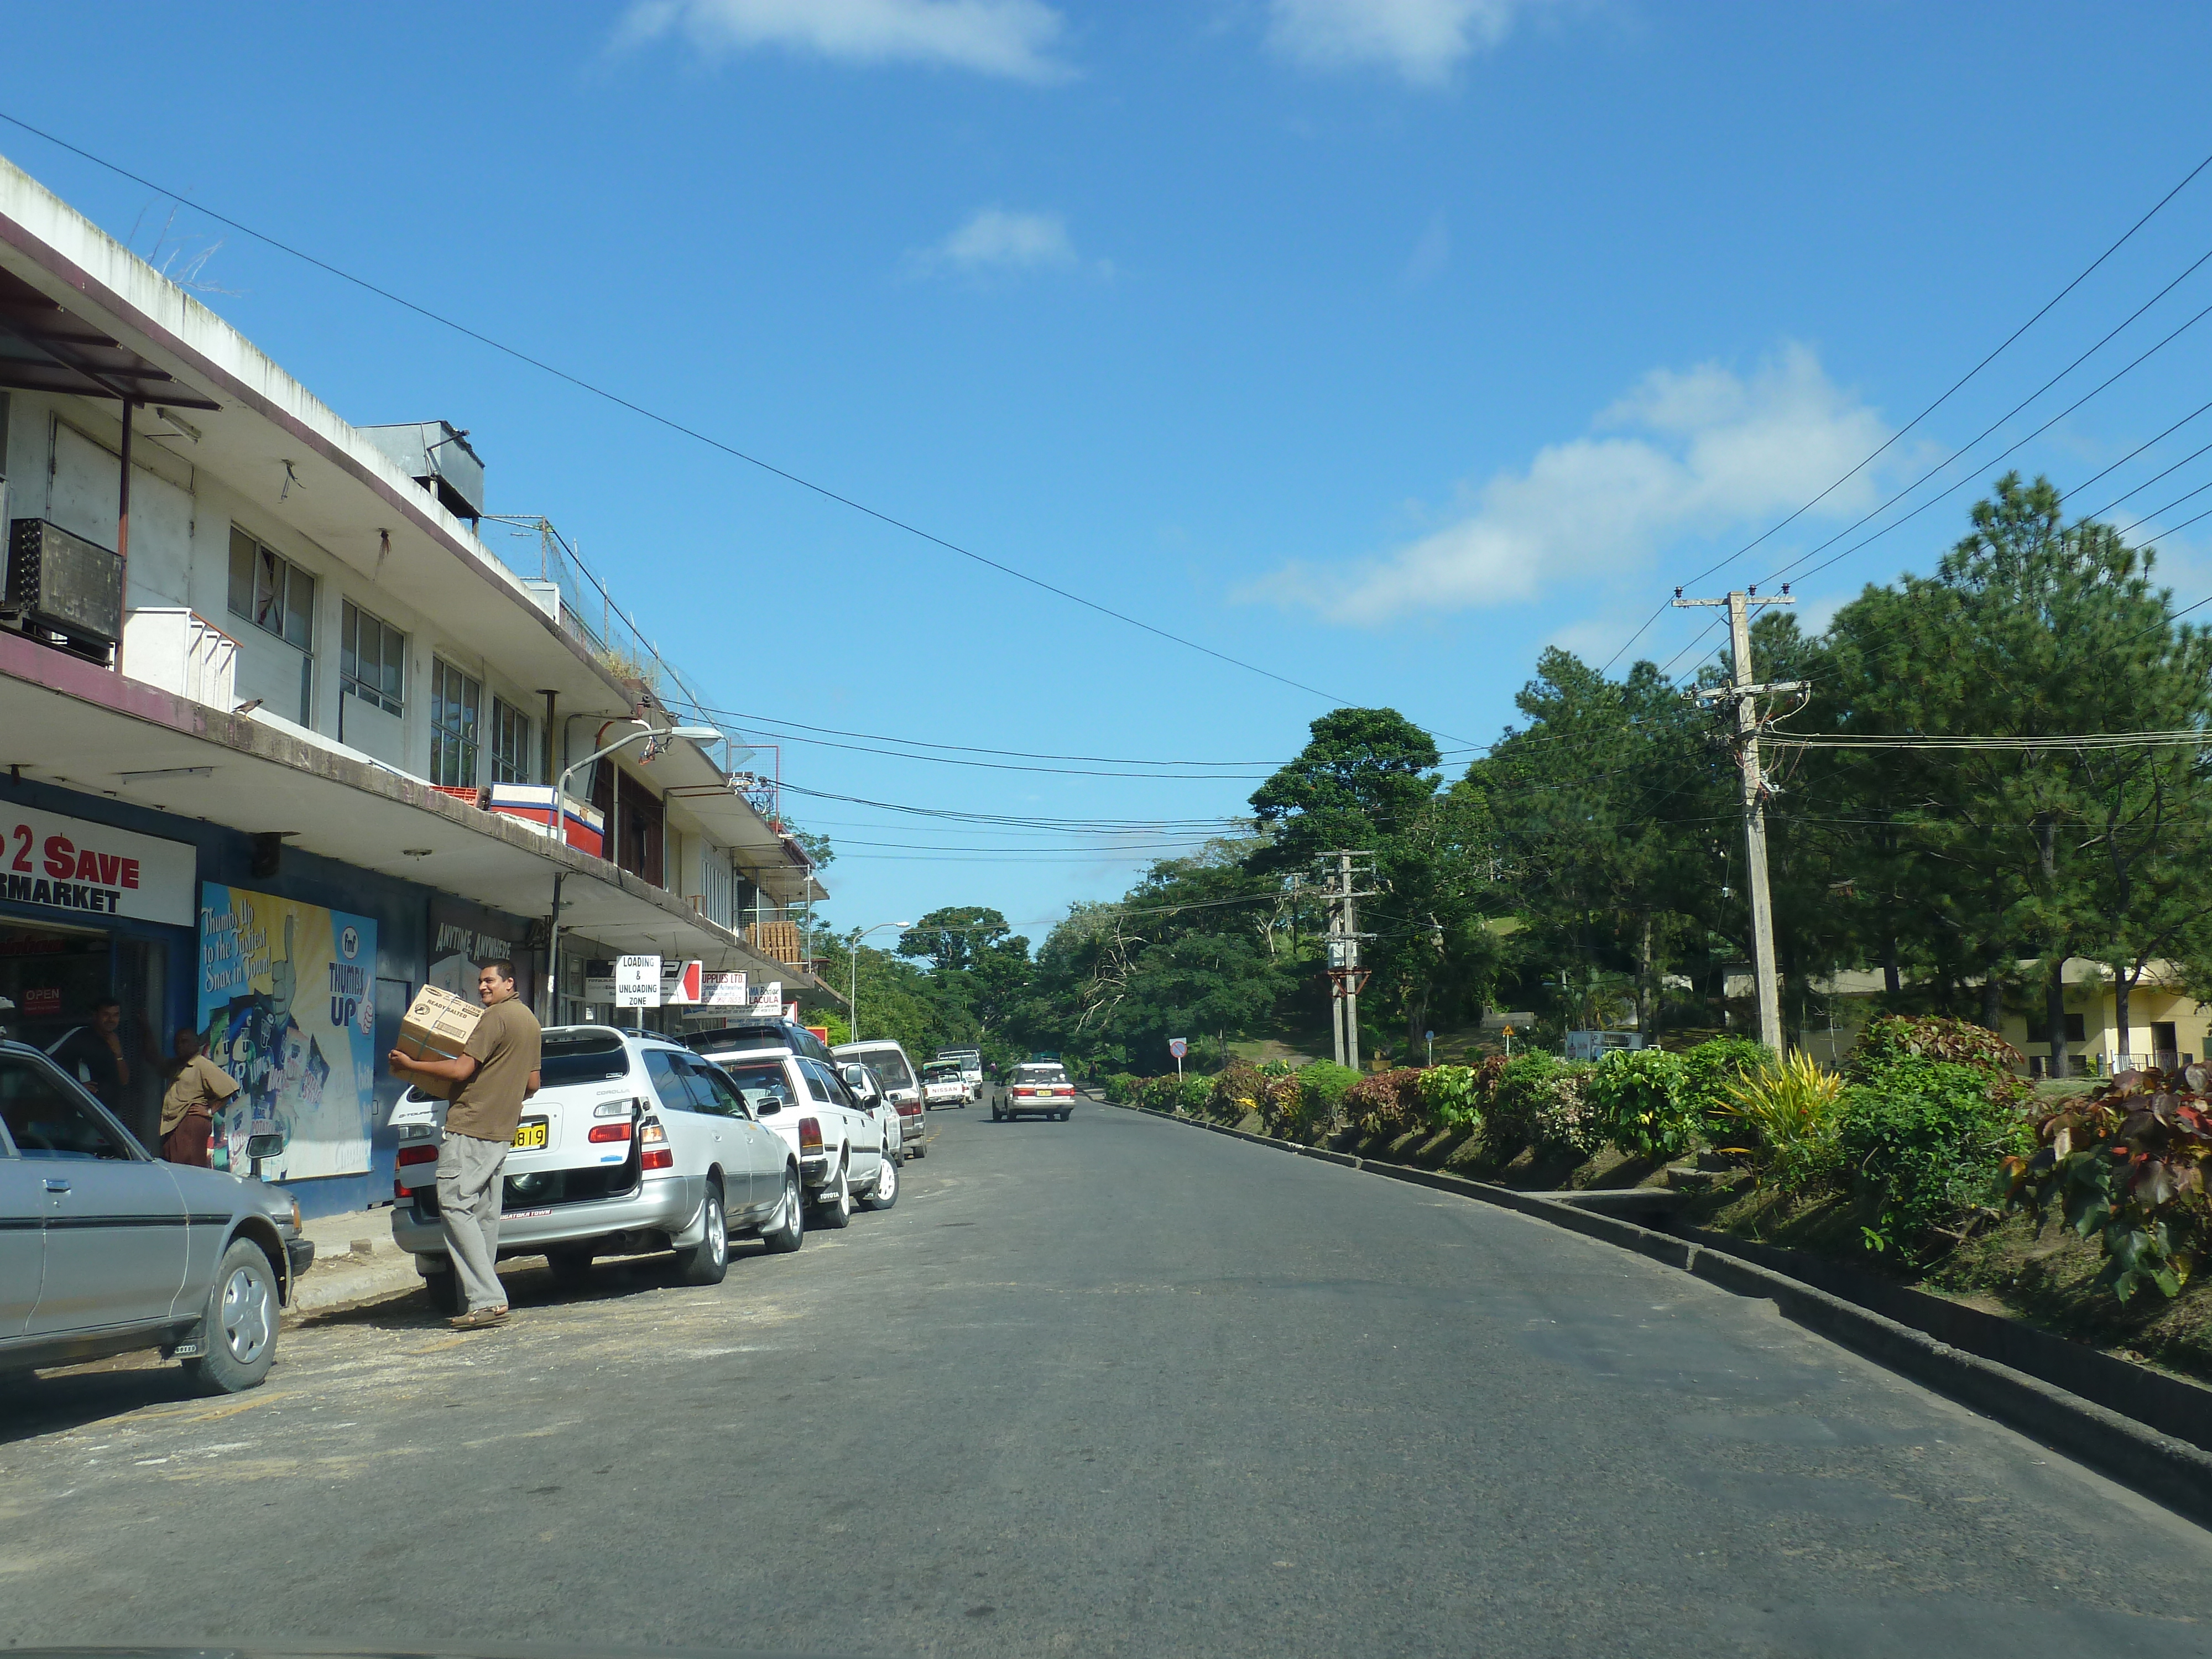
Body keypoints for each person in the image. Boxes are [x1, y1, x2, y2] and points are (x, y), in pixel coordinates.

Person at [388, 959, 541, 1329]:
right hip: (502, 1131)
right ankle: (481, 1302)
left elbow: (460, 1070)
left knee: (454, 1204)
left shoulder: (494, 1018)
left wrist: (411, 1063)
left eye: (490, 981)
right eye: (480, 982)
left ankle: (488, 1297)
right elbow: (534, 1084)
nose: (483, 987)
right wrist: (504, 1092)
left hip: (471, 1126)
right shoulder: (531, 1022)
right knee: (484, 1216)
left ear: (509, 982)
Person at [159, 1027, 240, 1167]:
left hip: (190, 1123)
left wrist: (210, 1111)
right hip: (176, 1123)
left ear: (196, 1044)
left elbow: (230, 1087)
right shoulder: (179, 1065)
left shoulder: (201, 1063)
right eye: (177, 1042)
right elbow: (154, 1059)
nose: (180, 1046)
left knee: (187, 1169)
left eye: (185, 1042)